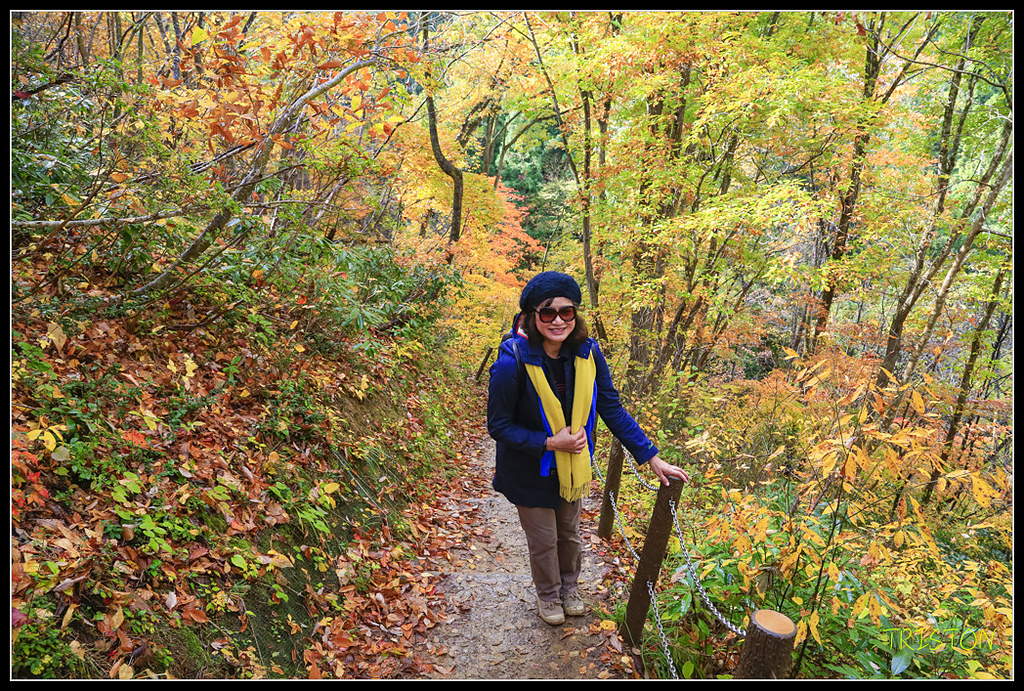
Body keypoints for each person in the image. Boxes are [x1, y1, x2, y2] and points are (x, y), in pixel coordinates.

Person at [487, 271, 689, 626]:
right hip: (528, 469)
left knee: (569, 535)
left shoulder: (587, 353)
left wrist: (650, 456)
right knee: (544, 540)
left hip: (572, 467)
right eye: (548, 312)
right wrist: (549, 442)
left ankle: (569, 589)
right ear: (533, 316)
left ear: (575, 314)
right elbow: (498, 426)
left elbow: (611, 408)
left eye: (567, 312)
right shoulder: (511, 362)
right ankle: (548, 595)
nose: (558, 321)